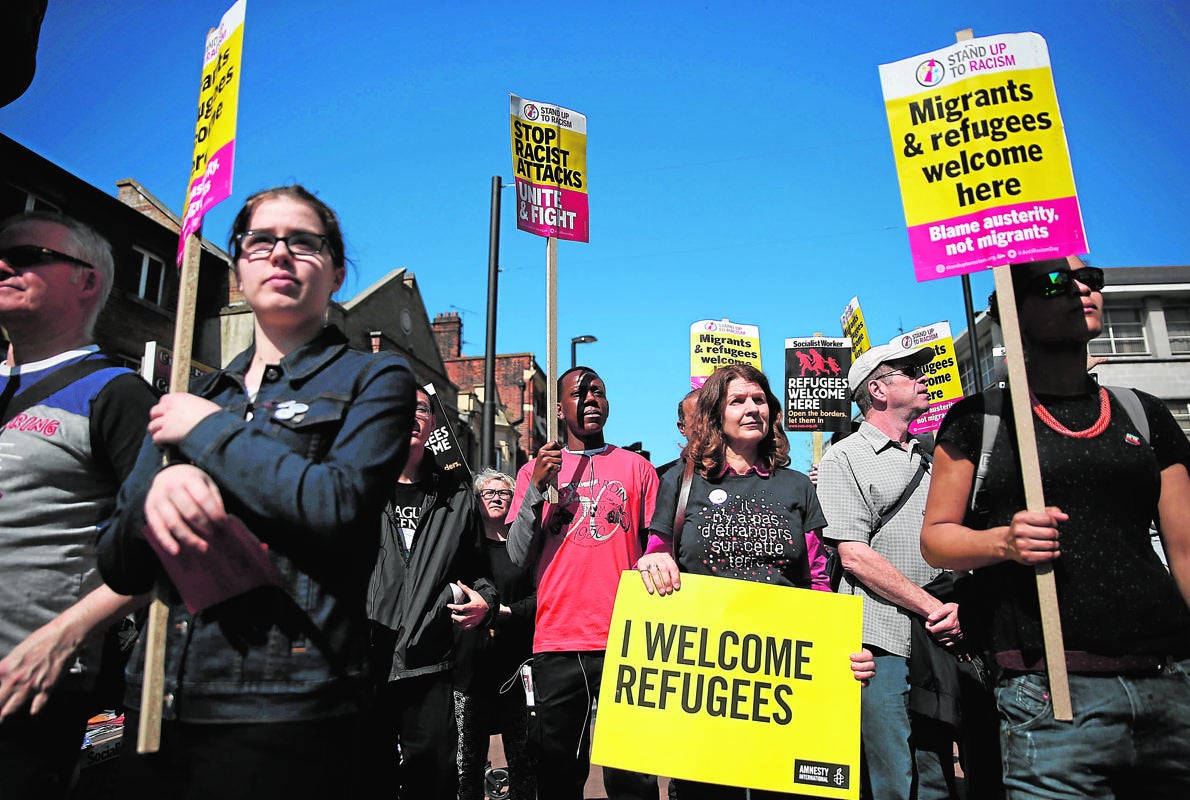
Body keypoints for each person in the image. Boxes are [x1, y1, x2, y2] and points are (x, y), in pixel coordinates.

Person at [96, 185, 416, 800]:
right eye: (261, 241)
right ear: (238, 267)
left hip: (290, 708)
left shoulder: (373, 379)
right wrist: (160, 495)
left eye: (304, 242)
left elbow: (337, 508)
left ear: (337, 272)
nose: (281, 255)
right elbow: (117, 562)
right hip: (161, 702)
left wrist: (208, 436)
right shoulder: (198, 396)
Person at [921, 256, 1190, 798]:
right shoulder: (979, 420)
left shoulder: (1145, 413)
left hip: (1170, 682)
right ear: (1010, 313)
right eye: (1053, 282)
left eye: (1090, 279)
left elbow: (1185, 550)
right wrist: (1003, 541)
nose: (1079, 289)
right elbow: (937, 538)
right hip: (1049, 693)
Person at [636, 363, 873, 799]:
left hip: (782, 678)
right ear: (715, 415)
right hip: (705, 680)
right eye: (738, 401)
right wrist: (653, 564)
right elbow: (657, 550)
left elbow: (818, 579)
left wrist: (841, 648)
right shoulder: (680, 481)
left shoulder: (798, 486)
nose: (751, 409)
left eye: (759, 400)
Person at [0, 212, 157, 799]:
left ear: (86, 281)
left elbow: (164, 549)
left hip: (28, 687)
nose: (4, 263)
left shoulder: (115, 395)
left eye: (29, 254)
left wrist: (62, 638)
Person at [815, 341, 962, 800]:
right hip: (880, 641)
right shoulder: (844, 457)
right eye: (909, 372)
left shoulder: (934, 455)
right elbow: (854, 555)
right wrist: (933, 606)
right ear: (877, 390)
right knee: (891, 777)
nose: (924, 379)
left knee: (936, 768)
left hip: (938, 638)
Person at [506, 365, 660, 800]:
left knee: (633, 776)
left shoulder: (636, 469)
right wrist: (537, 487)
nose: (591, 398)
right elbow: (518, 555)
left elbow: (657, 547)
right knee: (559, 770)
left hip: (627, 638)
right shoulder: (533, 472)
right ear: (559, 408)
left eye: (599, 391)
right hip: (559, 638)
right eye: (579, 393)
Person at [364, 385, 497, 799]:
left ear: (433, 422)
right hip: (366, 660)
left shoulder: (456, 496)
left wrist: (485, 603)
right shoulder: (359, 485)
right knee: (367, 778)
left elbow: (480, 573)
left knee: (435, 778)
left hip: (428, 661)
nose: (411, 416)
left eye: (421, 408)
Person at [454, 468, 536, 800]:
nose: (497, 498)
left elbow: (538, 598)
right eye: (488, 493)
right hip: (470, 667)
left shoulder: (525, 546)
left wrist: (501, 612)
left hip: (516, 668)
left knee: (523, 759)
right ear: (476, 501)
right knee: (467, 762)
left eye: (503, 493)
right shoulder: (464, 547)